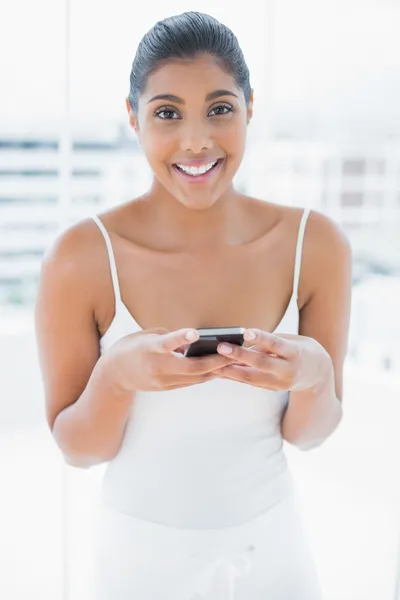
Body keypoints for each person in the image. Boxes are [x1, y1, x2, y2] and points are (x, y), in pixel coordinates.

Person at [34, 11, 352, 600]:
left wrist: (315, 377)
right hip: (137, 564)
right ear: (133, 118)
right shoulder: (80, 256)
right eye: (167, 113)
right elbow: (78, 448)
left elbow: (311, 434)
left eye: (220, 108)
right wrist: (117, 376)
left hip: (275, 555)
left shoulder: (317, 244)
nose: (196, 140)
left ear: (250, 108)